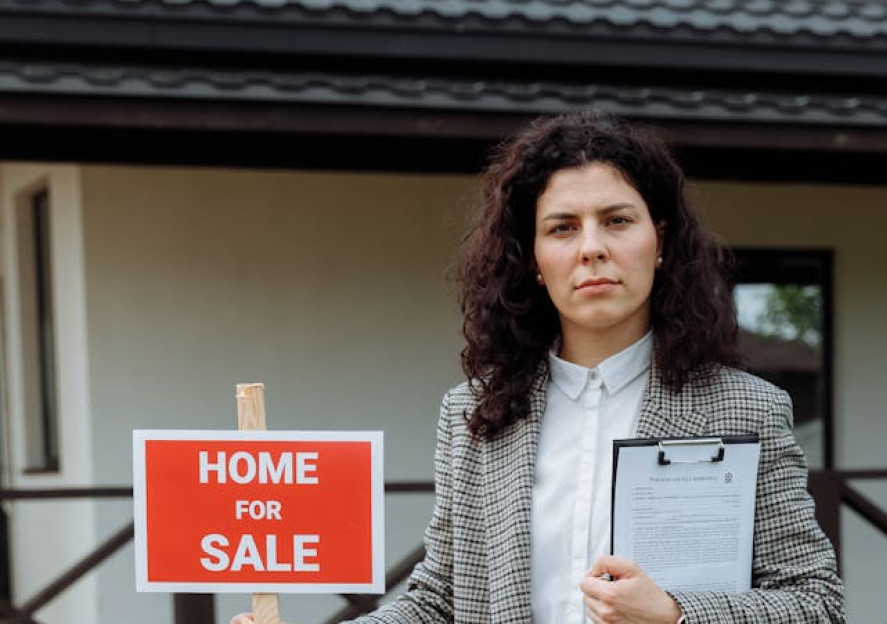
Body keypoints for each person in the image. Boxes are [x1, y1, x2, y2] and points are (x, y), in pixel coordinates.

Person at [233, 111, 844, 623]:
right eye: (562, 228)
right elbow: (439, 603)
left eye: (617, 220)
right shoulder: (474, 414)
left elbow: (816, 605)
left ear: (659, 242)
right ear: (532, 258)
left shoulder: (746, 409)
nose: (591, 247)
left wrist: (677, 614)